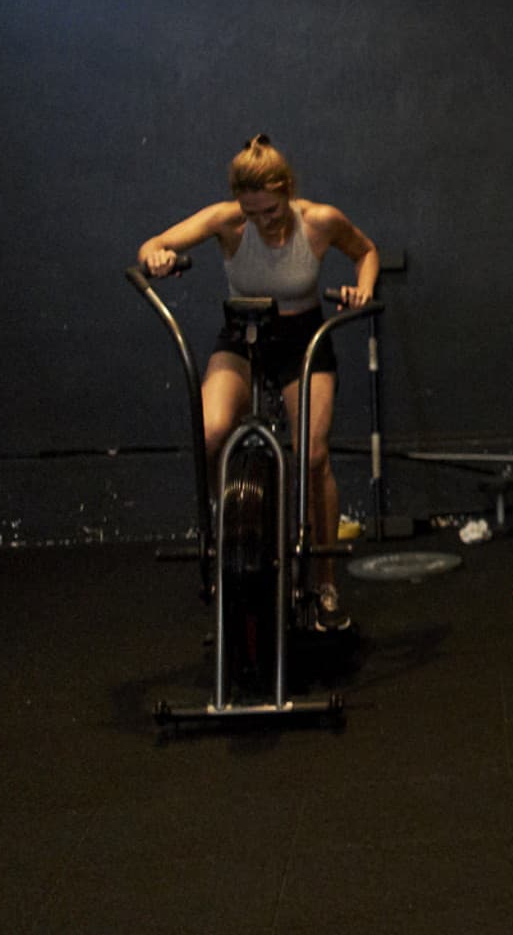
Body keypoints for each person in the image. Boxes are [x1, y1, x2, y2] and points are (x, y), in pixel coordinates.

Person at [137, 135, 380, 631]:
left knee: (311, 457)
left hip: (302, 342)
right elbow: (152, 245)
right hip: (243, 339)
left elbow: (366, 251)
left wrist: (364, 288)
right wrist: (157, 258)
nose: (263, 222)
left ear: (286, 191)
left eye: (271, 210)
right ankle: (232, 529)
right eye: (252, 213)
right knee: (209, 432)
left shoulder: (319, 221)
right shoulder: (227, 221)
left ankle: (326, 580)